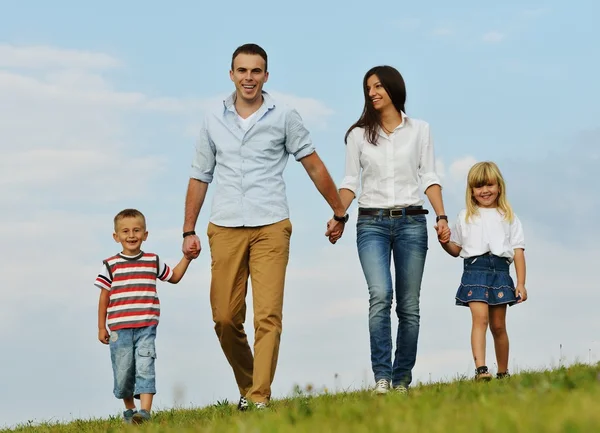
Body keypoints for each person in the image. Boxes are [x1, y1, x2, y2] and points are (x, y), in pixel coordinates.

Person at [182, 43, 347, 410]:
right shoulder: (213, 120)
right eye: (242, 71)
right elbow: (199, 176)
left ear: (266, 76)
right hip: (224, 226)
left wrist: (339, 212)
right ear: (231, 75)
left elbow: (313, 164)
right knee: (225, 317)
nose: (249, 78)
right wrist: (187, 230)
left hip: (271, 224)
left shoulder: (285, 115)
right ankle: (248, 384)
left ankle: (259, 397)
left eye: (256, 71)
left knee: (267, 315)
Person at [327, 65, 449, 394]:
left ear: (394, 88)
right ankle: (382, 376)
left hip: (412, 222)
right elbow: (351, 181)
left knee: (408, 305)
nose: (373, 93)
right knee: (380, 295)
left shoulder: (420, 130)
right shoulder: (358, 135)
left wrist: (441, 216)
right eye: (369, 88)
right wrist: (339, 215)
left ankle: (401, 379)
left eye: (379, 86)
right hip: (371, 224)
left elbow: (429, 176)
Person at [94, 208, 191, 424]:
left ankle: (145, 412)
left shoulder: (152, 261)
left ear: (145, 234)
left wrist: (187, 258)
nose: (131, 235)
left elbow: (173, 277)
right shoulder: (110, 265)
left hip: (146, 327)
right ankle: (130, 410)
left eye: (137, 230)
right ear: (116, 236)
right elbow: (104, 298)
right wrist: (102, 327)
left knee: (146, 366)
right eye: (125, 231)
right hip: (119, 330)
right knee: (123, 372)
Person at [439, 161, 528, 380]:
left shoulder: (509, 217)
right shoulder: (465, 216)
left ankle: (503, 372)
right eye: (479, 187)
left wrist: (521, 283)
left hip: (500, 271)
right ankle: (481, 369)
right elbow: (456, 249)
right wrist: (444, 242)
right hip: (475, 271)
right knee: (480, 319)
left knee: (498, 325)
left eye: (489, 185)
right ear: (471, 191)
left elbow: (518, 252)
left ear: (499, 186)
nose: (485, 191)